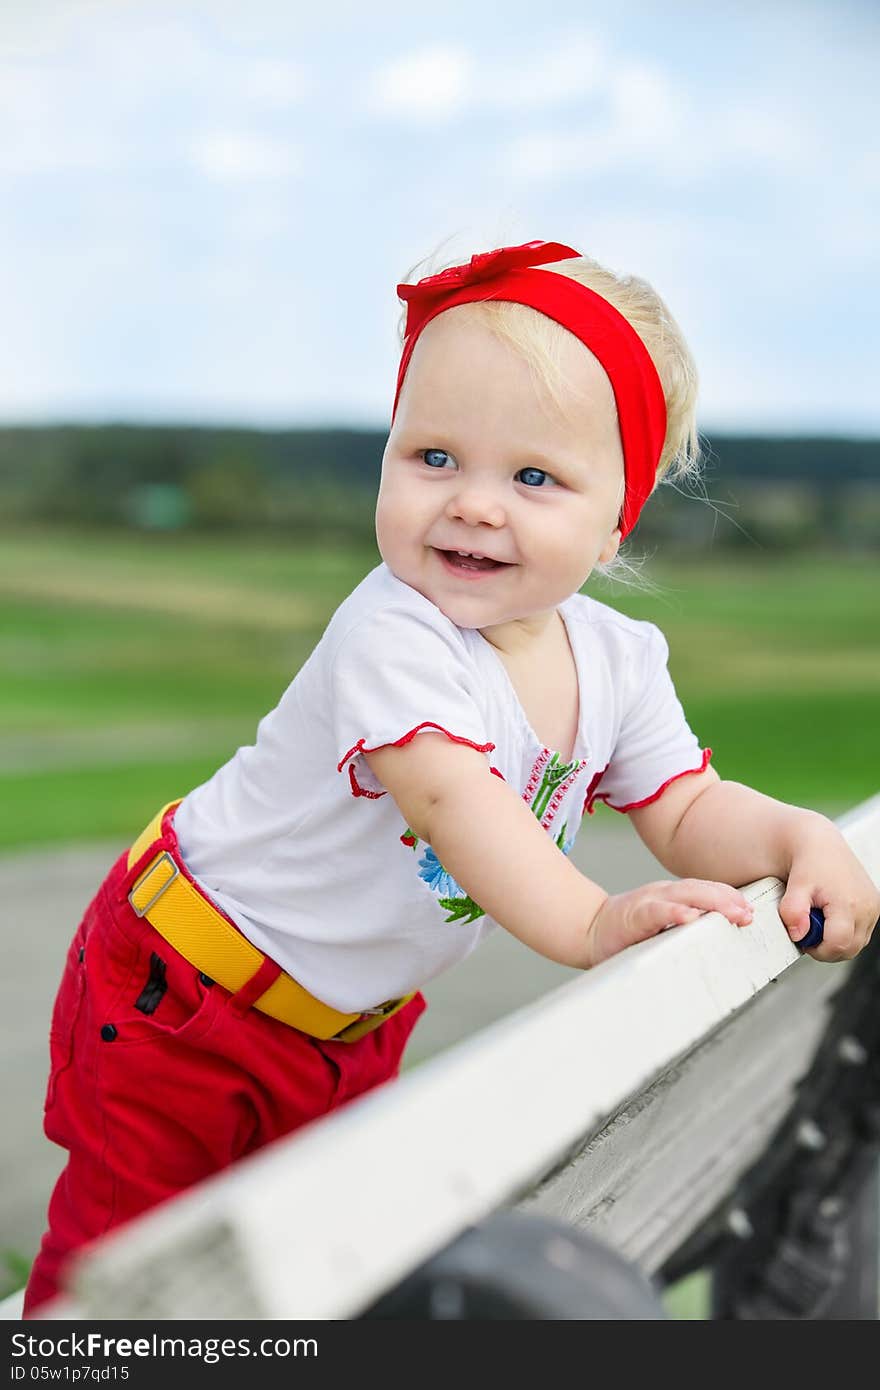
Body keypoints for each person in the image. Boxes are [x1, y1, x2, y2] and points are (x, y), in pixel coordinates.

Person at [24, 239, 879, 1315]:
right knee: (123, 1259)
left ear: (619, 514)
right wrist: (589, 921)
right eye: (432, 456)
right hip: (184, 990)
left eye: (532, 477)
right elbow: (451, 798)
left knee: (303, 1268)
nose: (473, 504)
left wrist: (797, 837)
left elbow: (686, 805)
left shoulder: (616, 659)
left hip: (347, 1024)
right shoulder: (392, 629)